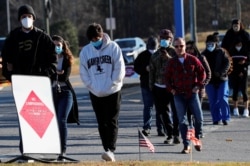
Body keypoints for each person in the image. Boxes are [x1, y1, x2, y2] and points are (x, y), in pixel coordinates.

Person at [1, 4, 57, 153]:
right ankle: (25, 150)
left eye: (29, 16)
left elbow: (53, 61)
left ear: (33, 18)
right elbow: (6, 60)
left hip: (39, 83)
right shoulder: (13, 37)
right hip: (21, 83)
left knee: (39, 116)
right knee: (23, 116)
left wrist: (44, 75)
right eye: (24, 17)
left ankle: (41, 148)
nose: (27, 19)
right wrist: (12, 75)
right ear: (20, 19)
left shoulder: (42, 37)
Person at [79, 23, 125, 162]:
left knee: (111, 121)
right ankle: (106, 148)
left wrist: (113, 82)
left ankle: (111, 150)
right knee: (101, 122)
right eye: (92, 40)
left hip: (113, 90)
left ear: (102, 35)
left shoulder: (113, 47)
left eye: (97, 38)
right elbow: (83, 72)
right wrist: (91, 86)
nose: (95, 42)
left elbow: (119, 67)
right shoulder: (86, 52)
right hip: (95, 92)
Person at [165, 37, 205, 154]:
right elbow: (166, 78)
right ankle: (186, 145)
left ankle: (196, 139)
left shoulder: (193, 59)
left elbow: (202, 73)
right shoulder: (171, 62)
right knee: (182, 121)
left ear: (185, 47)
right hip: (178, 95)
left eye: (181, 46)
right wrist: (171, 89)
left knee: (199, 119)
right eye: (176, 46)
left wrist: (198, 86)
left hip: (192, 94)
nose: (179, 48)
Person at [149, 29, 180, 144]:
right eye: (162, 39)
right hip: (158, 86)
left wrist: (168, 57)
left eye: (167, 39)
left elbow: (179, 66)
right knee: (163, 112)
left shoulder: (175, 52)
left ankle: (177, 134)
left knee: (176, 111)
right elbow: (152, 71)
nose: (164, 41)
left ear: (171, 40)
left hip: (172, 87)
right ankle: (170, 134)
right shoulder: (155, 54)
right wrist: (151, 87)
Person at [51, 35, 80, 159]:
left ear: (63, 46)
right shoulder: (48, 59)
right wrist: (55, 72)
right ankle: (54, 148)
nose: (56, 47)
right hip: (51, 92)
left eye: (58, 45)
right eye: (54, 45)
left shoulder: (67, 59)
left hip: (65, 92)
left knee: (62, 119)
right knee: (53, 121)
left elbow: (64, 76)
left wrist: (54, 73)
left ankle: (63, 150)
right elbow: (46, 73)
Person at [134, 36, 165, 136]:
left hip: (159, 85)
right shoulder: (142, 55)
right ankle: (147, 127)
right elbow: (136, 67)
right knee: (148, 107)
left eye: (154, 46)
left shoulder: (161, 54)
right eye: (151, 46)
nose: (153, 48)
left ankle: (161, 128)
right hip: (146, 85)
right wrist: (145, 69)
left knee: (160, 107)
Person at [202, 34, 231, 125]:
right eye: (208, 43)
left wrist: (221, 72)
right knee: (212, 100)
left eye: (212, 43)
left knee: (222, 98)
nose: (210, 45)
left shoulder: (221, 52)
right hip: (210, 81)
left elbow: (227, 63)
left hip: (222, 79)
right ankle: (216, 118)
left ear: (216, 43)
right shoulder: (203, 54)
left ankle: (225, 117)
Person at [185, 41, 211, 132]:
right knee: (188, 110)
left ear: (195, 48)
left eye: (191, 48)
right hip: (186, 88)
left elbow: (208, 73)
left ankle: (199, 130)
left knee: (197, 111)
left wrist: (202, 85)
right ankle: (190, 127)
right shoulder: (184, 59)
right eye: (187, 48)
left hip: (198, 89)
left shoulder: (201, 58)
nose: (189, 50)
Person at [221, 19, 250, 94]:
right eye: (234, 26)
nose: (236, 27)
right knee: (232, 76)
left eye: (237, 26)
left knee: (242, 77)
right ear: (232, 26)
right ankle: (231, 90)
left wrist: (246, 61)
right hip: (231, 61)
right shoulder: (229, 34)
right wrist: (226, 58)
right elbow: (224, 47)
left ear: (240, 26)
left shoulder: (245, 35)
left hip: (243, 61)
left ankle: (242, 92)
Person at [228, 37, 250, 117]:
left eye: (240, 44)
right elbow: (230, 62)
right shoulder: (232, 50)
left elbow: (248, 60)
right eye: (237, 44)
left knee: (244, 92)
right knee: (235, 91)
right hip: (234, 73)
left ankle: (246, 110)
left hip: (243, 72)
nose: (238, 45)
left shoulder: (245, 50)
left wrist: (244, 63)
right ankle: (235, 109)